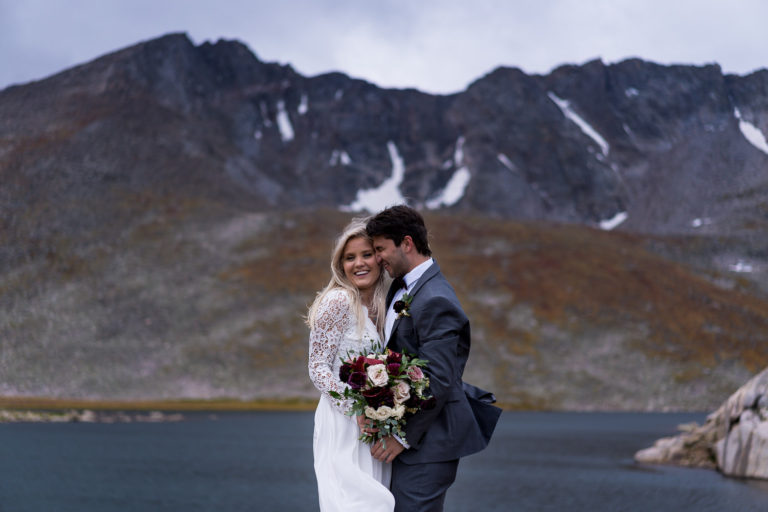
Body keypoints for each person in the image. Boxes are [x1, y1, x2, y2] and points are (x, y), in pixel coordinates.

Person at [365, 205, 502, 512]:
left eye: (380, 249)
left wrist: (402, 437)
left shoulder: (435, 298)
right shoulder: (402, 288)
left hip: (428, 444)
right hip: (413, 441)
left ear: (407, 243)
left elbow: (438, 378)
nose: (376, 259)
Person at [307, 218, 395, 511]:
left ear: (379, 259)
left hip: (374, 422)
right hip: (342, 420)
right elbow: (317, 366)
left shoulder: (385, 305)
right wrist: (355, 410)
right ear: (340, 264)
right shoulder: (338, 300)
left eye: (366, 254)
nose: (359, 263)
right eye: (349, 257)